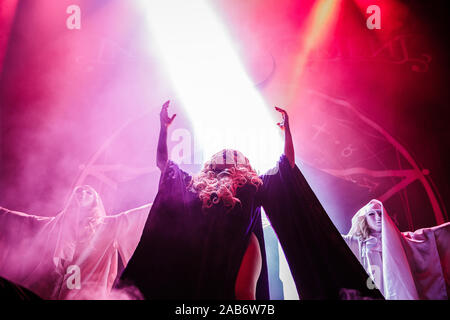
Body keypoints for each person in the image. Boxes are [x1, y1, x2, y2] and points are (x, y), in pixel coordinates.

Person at [119, 101, 383, 300]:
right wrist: (163, 128)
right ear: (211, 162)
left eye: (235, 153)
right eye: (223, 152)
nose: (228, 154)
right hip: (204, 246)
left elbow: (286, 166)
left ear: (244, 163)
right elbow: (164, 164)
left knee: (244, 297)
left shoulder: (253, 183)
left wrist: (286, 133)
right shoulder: (194, 184)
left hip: (243, 244)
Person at [0, 185, 151, 299]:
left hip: (88, 295)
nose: (82, 193)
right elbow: (25, 222)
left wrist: (169, 192)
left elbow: (142, 215)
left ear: (96, 202)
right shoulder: (57, 226)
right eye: (78, 191)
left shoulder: (109, 226)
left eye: (89, 192)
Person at [343, 199, 450, 299]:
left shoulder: (399, 240)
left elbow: (431, 235)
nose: (378, 217)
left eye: (381, 213)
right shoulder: (358, 242)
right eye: (371, 214)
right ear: (364, 219)